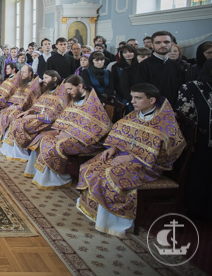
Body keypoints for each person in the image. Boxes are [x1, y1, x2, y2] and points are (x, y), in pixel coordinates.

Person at [78, 84, 185, 236]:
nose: (132, 101)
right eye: (132, 97)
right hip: (123, 156)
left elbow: (163, 154)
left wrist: (130, 158)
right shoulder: (135, 114)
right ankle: (97, 214)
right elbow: (122, 134)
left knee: (109, 176)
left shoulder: (163, 123)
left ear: (152, 100)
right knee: (91, 167)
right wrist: (113, 148)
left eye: (138, 98)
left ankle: (114, 222)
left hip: (148, 166)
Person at [31, 75, 111, 190]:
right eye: (67, 90)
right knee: (45, 138)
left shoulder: (92, 102)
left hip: (87, 140)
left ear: (80, 86)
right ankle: (47, 177)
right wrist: (61, 131)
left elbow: (94, 127)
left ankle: (61, 177)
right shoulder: (76, 99)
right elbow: (67, 117)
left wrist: (68, 134)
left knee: (58, 144)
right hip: (70, 133)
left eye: (70, 89)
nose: (68, 93)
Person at [176, 57, 212, 220]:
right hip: (200, 143)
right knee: (200, 177)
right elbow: (184, 117)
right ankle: (198, 211)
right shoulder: (192, 87)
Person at [1, 70, 67, 162]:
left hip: (47, 122)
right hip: (38, 116)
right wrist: (29, 112)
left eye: (46, 78)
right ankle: (16, 151)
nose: (43, 80)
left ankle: (22, 151)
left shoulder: (61, 94)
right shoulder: (48, 91)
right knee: (17, 120)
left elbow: (52, 116)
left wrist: (32, 116)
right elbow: (38, 105)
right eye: (43, 78)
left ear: (55, 79)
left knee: (20, 124)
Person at [135, 31, 184, 106]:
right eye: (158, 42)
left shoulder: (174, 65)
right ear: (152, 45)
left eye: (166, 42)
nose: (163, 45)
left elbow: (178, 88)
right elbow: (141, 91)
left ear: (172, 44)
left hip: (173, 107)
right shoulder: (144, 65)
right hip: (152, 108)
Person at [0, 65, 41, 142]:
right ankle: (2, 137)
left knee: (11, 116)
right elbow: (17, 97)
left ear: (30, 73)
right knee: (4, 113)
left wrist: (13, 107)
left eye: (24, 72)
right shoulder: (23, 83)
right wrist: (13, 105)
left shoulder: (33, 86)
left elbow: (26, 104)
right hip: (17, 106)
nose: (22, 74)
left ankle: (10, 141)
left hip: (26, 110)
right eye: (21, 72)